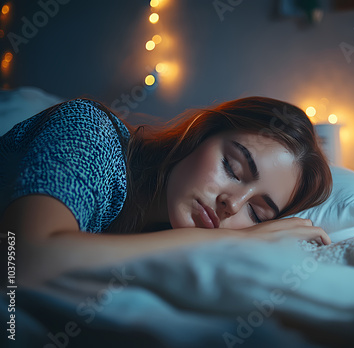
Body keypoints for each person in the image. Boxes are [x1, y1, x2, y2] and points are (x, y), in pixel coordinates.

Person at [0, 96, 332, 285]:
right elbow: (22, 258)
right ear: (200, 134)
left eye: (256, 213)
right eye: (232, 168)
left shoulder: (169, 246)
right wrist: (236, 238)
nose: (232, 204)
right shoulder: (91, 132)